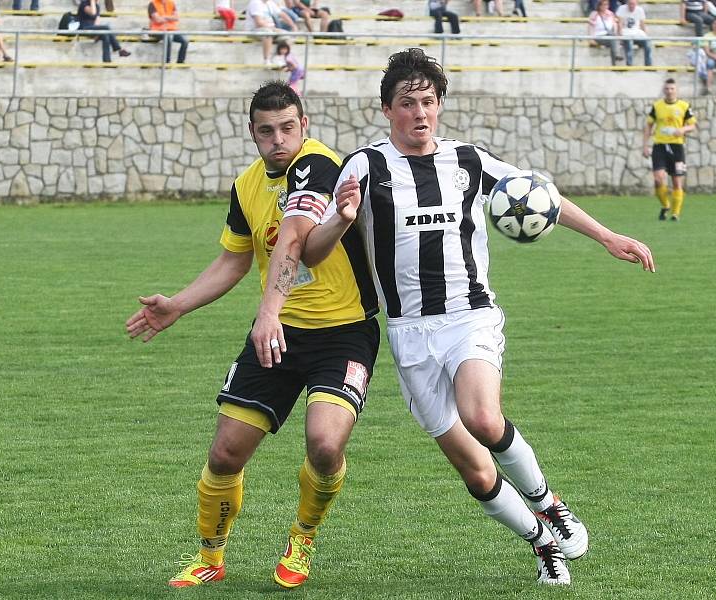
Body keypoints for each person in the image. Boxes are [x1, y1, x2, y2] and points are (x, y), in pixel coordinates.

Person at [263, 48, 655, 586]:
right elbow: (312, 252)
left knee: (484, 418)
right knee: (474, 470)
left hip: (470, 316)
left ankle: (549, 503)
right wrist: (344, 217)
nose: (420, 113)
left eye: (428, 101)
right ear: (386, 109)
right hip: (409, 333)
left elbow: (539, 197)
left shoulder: (469, 160)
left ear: (440, 105)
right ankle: (542, 543)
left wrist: (608, 236)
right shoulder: (365, 166)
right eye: (408, 103)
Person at [126, 81, 380, 590]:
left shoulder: (318, 165)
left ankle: (302, 538)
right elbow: (233, 260)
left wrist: (269, 313)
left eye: (288, 127)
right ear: (252, 133)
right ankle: (210, 556)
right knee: (224, 454)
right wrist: (177, 304)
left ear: (304, 126)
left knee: (325, 445)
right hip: (279, 333)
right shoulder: (247, 185)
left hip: (344, 332)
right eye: (267, 131)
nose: (278, 140)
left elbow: (294, 237)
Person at [642, 78, 697, 221]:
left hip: (677, 147)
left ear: (676, 90)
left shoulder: (684, 106)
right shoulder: (657, 106)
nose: (669, 91)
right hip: (659, 146)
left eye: (672, 89)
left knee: (677, 181)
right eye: (667, 89)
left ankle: (675, 213)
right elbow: (648, 125)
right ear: (663, 90)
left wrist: (683, 129)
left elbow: (693, 125)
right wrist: (645, 145)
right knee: (658, 178)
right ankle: (665, 204)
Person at [244, 0, 288, 66]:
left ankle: (278, 58)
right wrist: (274, 29)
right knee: (268, 32)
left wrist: (293, 26)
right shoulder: (255, 2)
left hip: (270, 29)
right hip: (253, 30)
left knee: (288, 35)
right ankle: (266, 60)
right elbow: (258, 23)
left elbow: (282, 14)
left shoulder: (270, 3)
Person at [616, 0, 652, 66]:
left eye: (633, 4)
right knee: (629, 43)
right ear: (627, 4)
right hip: (626, 32)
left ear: (636, 4)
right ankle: (629, 64)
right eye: (630, 4)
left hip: (637, 32)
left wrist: (646, 35)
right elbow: (620, 24)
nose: (631, 6)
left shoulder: (640, 10)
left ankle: (648, 64)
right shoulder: (621, 8)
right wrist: (620, 36)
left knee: (648, 43)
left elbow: (642, 24)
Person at [588, 0, 620, 65]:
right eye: (603, 4)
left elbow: (614, 25)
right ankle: (616, 61)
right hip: (598, 36)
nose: (605, 6)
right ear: (599, 6)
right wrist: (591, 38)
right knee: (614, 40)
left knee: (615, 40)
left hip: (609, 35)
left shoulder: (610, 13)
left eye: (606, 4)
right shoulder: (594, 14)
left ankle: (615, 63)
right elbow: (590, 27)